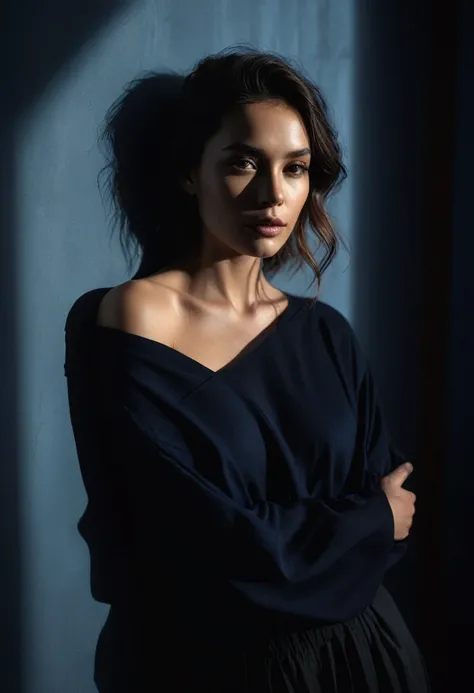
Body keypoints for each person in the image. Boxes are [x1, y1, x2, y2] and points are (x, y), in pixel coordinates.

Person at [64, 48, 431, 692]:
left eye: (295, 169)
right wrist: (363, 520)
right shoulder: (128, 319)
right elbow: (202, 549)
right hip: (208, 669)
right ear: (188, 173)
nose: (274, 194)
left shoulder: (325, 334)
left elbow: (396, 512)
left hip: (364, 655)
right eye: (242, 163)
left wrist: (353, 527)